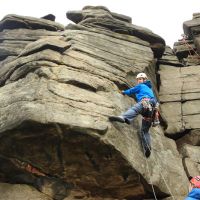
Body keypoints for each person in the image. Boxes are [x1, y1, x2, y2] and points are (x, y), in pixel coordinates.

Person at [109, 72, 159, 157]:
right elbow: (156, 103)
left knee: (135, 109)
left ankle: (124, 118)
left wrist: (124, 92)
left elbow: (131, 91)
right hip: (151, 111)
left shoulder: (141, 86)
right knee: (144, 130)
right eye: (138, 79)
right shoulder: (150, 90)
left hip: (145, 103)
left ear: (144, 80)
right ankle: (147, 147)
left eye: (140, 79)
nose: (139, 81)